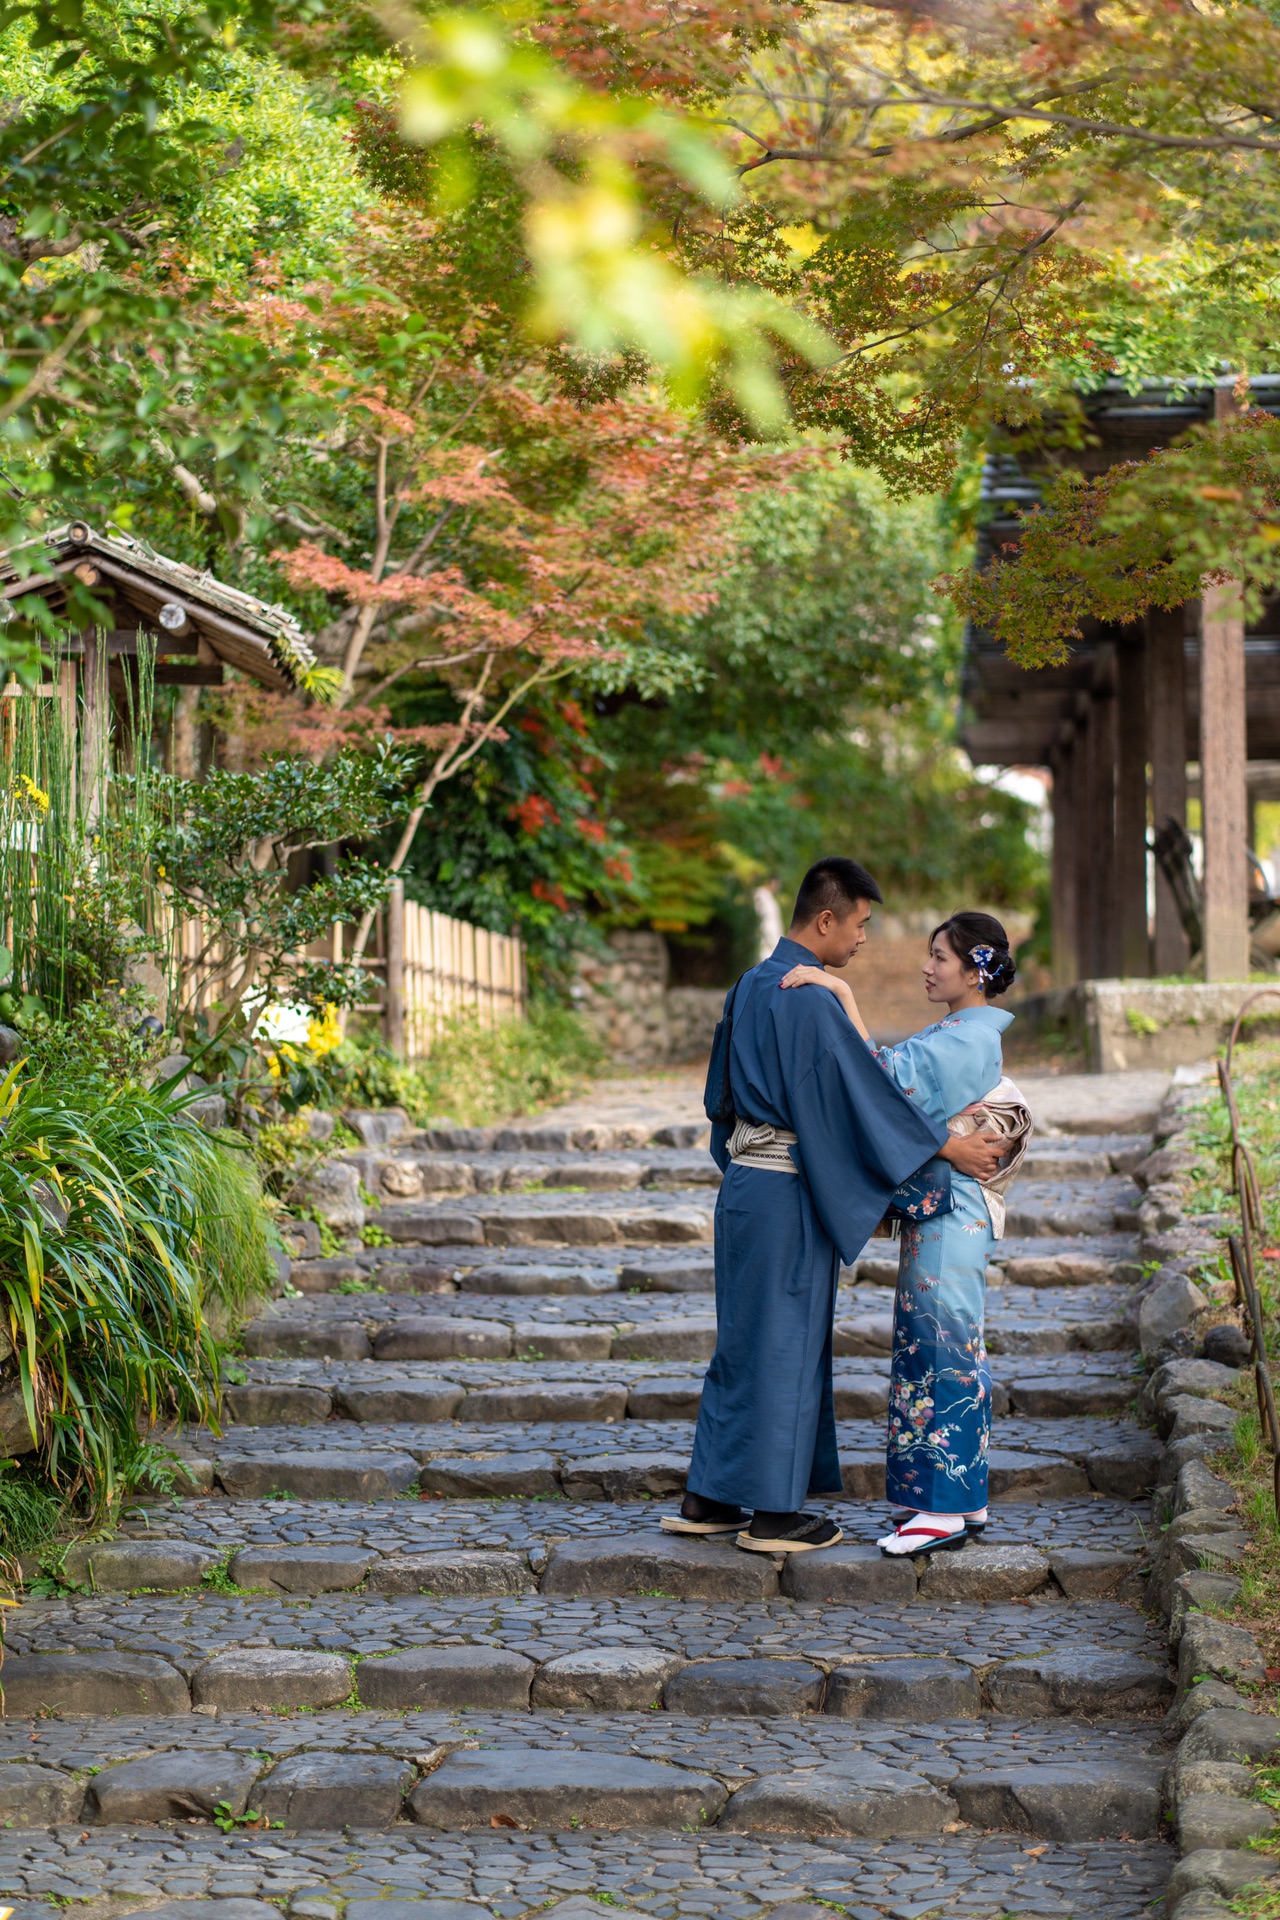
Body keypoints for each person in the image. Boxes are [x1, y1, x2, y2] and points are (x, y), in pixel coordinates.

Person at [663, 859, 1008, 1555]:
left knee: (741, 1343)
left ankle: (710, 1498)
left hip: (746, 1185)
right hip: (789, 1185)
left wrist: (742, 1165)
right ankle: (774, 1514)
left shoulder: (749, 986)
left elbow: (718, 1101)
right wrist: (944, 1150)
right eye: (858, 925)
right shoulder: (810, 997)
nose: (861, 941)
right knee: (784, 1345)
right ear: (826, 919)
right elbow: (863, 1100)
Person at [779, 910, 1029, 1558]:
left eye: (940, 957)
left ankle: (941, 1510)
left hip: (952, 1215)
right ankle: (957, 1497)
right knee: (945, 1345)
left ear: (975, 969)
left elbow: (883, 1079)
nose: (928, 966)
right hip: (949, 1212)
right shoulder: (965, 1029)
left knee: (939, 1346)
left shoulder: (968, 1037)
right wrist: (948, 1144)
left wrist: (843, 993)